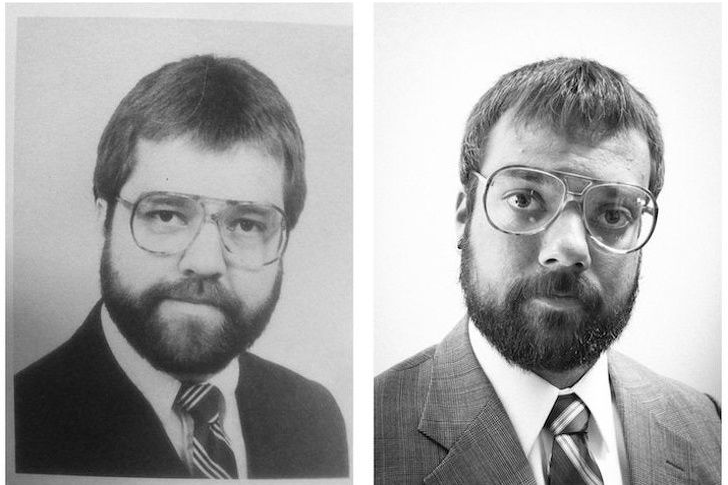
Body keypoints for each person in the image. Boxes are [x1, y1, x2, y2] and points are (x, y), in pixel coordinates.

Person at [374, 58, 720, 484]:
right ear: (466, 215)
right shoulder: (368, 434)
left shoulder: (708, 427)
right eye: (525, 198)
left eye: (612, 213)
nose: (569, 248)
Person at [15, 54, 348, 479]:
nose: (205, 262)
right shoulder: (21, 415)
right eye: (167, 215)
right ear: (104, 215)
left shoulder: (313, 417)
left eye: (246, 224)